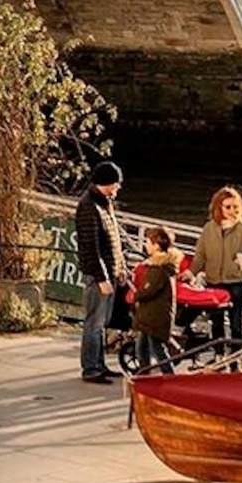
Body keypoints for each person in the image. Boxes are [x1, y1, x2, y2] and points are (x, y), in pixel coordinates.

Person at [72, 160, 124, 384]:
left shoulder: (104, 204)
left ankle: (99, 365)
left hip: (108, 271)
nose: (118, 187)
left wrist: (120, 267)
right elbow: (91, 247)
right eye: (116, 183)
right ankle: (91, 368)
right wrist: (102, 277)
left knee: (102, 322)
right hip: (97, 274)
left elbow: (113, 241)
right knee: (94, 322)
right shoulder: (89, 206)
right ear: (108, 183)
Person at [194, 186, 242, 346]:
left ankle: (235, 360)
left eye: (236, 207)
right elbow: (200, 255)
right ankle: (219, 356)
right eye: (228, 207)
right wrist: (191, 272)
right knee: (216, 323)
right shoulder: (209, 228)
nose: (233, 211)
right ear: (219, 207)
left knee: (236, 324)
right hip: (214, 281)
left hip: (236, 282)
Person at [126, 222, 187, 373]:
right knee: (143, 346)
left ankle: (167, 374)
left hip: (154, 316)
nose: (146, 245)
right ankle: (144, 372)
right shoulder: (164, 267)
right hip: (153, 316)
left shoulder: (158, 269)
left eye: (148, 242)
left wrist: (136, 295)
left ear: (157, 245)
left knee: (156, 348)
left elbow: (149, 290)